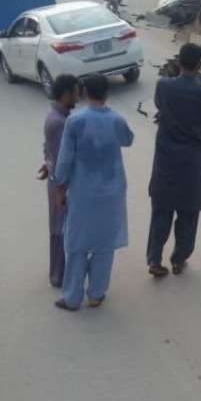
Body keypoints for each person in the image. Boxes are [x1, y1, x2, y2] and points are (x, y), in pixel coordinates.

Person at [53, 75, 134, 311]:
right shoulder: (117, 119)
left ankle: (72, 298)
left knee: (77, 244)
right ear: (107, 93)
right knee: (104, 245)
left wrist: (60, 188)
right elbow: (128, 140)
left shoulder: (75, 122)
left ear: (85, 93)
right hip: (112, 192)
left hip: (83, 193)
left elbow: (64, 161)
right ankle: (96, 294)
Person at [146, 43, 201, 277]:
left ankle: (154, 260)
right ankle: (179, 260)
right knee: (188, 216)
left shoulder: (163, 86)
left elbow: (160, 105)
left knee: (161, 213)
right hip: (193, 162)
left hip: (166, 160)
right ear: (199, 65)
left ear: (179, 62)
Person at [38, 75, 79, 288]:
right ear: (65, 94)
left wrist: (47, 163)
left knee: (59, 226)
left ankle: (59, 272)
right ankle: (58, 275)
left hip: (56, 180)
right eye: (75, 92)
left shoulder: (55, 116)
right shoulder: (60, 123)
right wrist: (62, 190)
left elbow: (49, 149)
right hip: (60, 185)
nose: (78, 96)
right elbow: (63, 159)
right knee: (60, 228)